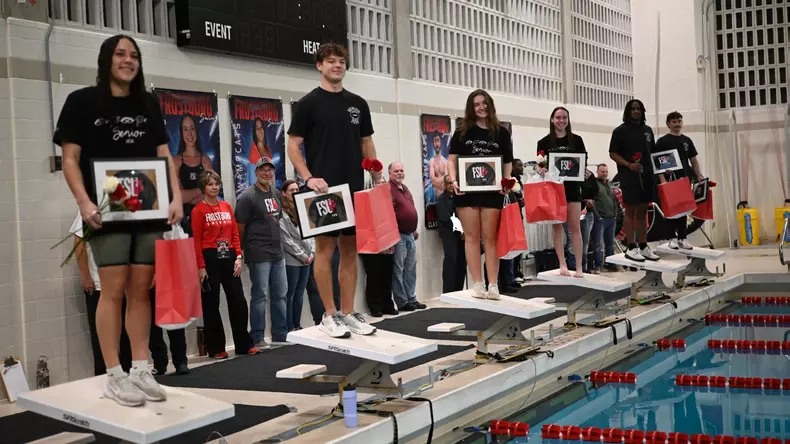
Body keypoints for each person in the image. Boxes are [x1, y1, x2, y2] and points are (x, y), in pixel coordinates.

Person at [56, 34, 182, 406]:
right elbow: (69, 160)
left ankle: (141, 368)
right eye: (120, 54)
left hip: (148, 205)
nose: (128, 60)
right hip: (108, 206)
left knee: (141, 289)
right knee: (111, 290)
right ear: (106, 60)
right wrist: (83, 202)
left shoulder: (149, 103)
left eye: (134, 55)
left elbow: (163, 153)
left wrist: (175, 196)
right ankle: (114, 374)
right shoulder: (81, 102)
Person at [287, 42, 380, 338]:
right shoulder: (308, 104)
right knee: (325, 251)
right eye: (330, 61)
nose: (337, 65)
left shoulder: (358, 104)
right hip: (325, 191)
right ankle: (330, 314)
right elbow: (293, 146)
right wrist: (308, 178)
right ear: (319, 65)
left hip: (354, 188)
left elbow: (366, 142)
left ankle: (349, 312)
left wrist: (376, 172)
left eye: (341, 61)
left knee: (350, 251)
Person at [448, 89, 514, 301]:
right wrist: (453, 180)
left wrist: (506, 181)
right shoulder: (462, 131)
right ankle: (478, 284)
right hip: (466, 192)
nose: (481, 107)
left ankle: (493, 284)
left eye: (484, 103)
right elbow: (452, 160)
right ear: (471, 107)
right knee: (471, 237)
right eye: (476, 104)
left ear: (490, 105)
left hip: (492, 192)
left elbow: (507, 162)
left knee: (491, 238)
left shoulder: (501, 132)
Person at [192, 170, 260, 358]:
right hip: (209, 257)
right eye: (210, 184)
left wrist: (238, 256)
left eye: (216, 184)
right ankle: (216, 348)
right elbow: (196, 241)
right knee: (211, 303)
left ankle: (244, 344)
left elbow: (235, 234)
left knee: (238, 301)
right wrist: (201, 266)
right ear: (203, 188)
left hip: (228, 255)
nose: (214, 187)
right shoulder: (198, 210)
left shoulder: (226, 206)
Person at [235, 158, 289, 346]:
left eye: (269, 170)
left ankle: (280, 335)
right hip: (258, 253)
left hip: (278, 253)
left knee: (281, 295)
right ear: (256, 172)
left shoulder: (276, 193)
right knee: (260, 296)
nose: (267, 173)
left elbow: (277, 219)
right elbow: (239, 228)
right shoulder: (248, 196)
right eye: (262, 170)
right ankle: (257, 337)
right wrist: (241, 252)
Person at [72, 213, 132, 376]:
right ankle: (104, 376)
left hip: (125, 284)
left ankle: (128, 374)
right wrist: (85, 275)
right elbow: (78, 242)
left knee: (127, 335)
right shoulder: (91, 210)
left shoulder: (128, 210)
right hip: (99, 285)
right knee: (102, 337)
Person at [536, 107, 589, 278]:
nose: (561, 121)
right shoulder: (544, 142)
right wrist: (539, 169)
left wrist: (585, 171)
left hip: (572, 189)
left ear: (568, 119)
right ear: (552, 120)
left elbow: (583, 162)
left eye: (564, 117)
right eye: (558, 117)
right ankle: (562, 264)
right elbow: (539, 164)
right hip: (554, 190)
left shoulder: (577, 140)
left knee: (575, 228)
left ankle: (579, 267)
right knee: (557, 227)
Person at [609, 99, 660, 262]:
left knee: (643, 211)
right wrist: (628, 165)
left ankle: (643, 246)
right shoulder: (620, 131)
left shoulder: (647, 130)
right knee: (630, 210)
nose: (636, 111)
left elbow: (653, 153)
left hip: (646, 176)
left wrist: (661, 170)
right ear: (628, 111)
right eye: (633, 109)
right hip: (629, 176)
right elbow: (613, 153)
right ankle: (631, 247)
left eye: (639, 108)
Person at [655, 111, 705, 250]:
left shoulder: (687, 141)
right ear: (668, 124)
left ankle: (683, 238)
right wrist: (662, 179)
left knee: (683, 210)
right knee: (670, 210)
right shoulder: (662, 141)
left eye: (679, 121)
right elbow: (657, 162)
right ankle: (672, 238)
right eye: (674, 122)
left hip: (684, 180)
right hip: (669, 181)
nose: (677, 124)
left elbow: (693, 160)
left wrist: (699, 176)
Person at [389, 162, 427, 312]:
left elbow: (409, 209)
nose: (399, 173)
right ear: (390, 173)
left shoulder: (405, 189)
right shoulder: (388, 189)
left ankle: (411, 298)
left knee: (410, 269)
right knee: (398, 269)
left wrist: (413, 229)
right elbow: (388, 212)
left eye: (401, 170)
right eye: (396, 171)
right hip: (398, 235)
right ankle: (402, 301)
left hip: (410, 234)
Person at [361, 173, 399, 317]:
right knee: (374, 275)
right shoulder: (366, 199)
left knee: (387, 275)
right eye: (379, 184)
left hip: (387, 244)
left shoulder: (388, 202)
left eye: (383, 183)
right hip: (371, 244)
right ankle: (375, 306)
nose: (382, 185)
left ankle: (387, 303)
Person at [280, 179, 315, 330]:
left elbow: (312, 231)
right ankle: (289, 327)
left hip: (307, 258)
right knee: (290, 294)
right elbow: (286, 239)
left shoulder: (303, 208)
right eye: (291, 190)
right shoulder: (282, 213)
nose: (295, 192)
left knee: (300, 294)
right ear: (284, 193)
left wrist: (312, 253)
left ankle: (297, 324)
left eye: (296, 190)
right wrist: (302, 255)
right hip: (293, 260)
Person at [148, 284, 188, 375]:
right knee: (152, 327)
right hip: (146, 281)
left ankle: (180, 361)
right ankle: (159, 363)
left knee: (174, 322)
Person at [437, 175, 467, 293]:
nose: (450, 186)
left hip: (461, 234)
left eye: (452, 183)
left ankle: (459, 290)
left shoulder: (458, 198)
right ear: (444, 185)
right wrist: (461, 230)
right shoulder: (442, 199)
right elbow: (446, 219)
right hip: (449, 234)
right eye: (448, 183)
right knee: (451, 260)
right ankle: (448, 291)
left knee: (462, 261)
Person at [589, 164, 619, 272]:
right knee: (598, 244)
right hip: (600, 219)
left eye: (606, 171)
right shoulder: (594, 184)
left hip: (612, 218)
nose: (605, 174)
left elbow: (614, 200)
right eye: (602, 172)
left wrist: (615, 214)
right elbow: (592, 201)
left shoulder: (610, 184)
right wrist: (598, 216)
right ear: (597, 172)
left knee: (610, 243)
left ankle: (610, 264)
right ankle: (598, 265)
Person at [429, 133, 449, 198]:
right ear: (433, 144)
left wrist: (436, 181)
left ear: (440, 142)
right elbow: (433, 181)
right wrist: (442, 179)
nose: (436, 144)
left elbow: (446, 181)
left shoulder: (445, 162)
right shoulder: (432, 161)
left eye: (438, 140)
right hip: (437, 198)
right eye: (435, 141)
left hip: (446, 196)